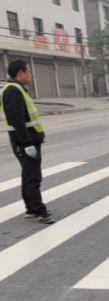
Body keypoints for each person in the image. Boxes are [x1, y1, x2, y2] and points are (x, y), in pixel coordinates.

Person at [1, 60, 54, 224]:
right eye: (28, 72)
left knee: (28, 174)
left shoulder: (16, 89)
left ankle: (31, 209)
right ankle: (40, 211)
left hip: (28, 139)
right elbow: (17, 121)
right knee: (33, 177)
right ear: (20, 73)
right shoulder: (13, 91)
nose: (31, 75)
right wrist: (27, 144)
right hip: (24, 141)